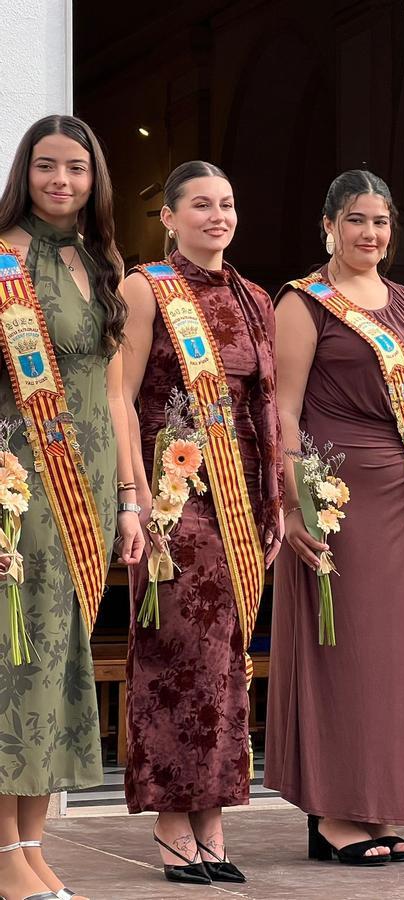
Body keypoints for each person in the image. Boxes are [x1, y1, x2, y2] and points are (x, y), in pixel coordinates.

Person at [265, 170, 404, 865]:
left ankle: (381, 806)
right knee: (344, 654)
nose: (369, 233)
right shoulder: (304, 302)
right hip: (336, 498)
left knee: (395, 660)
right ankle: (335, 812)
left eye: (380, 221)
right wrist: (291, 501)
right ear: (328, 226)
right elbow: (282, 407)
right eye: (355, 220)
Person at [120, 161, 283, 885]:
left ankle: (212, 815)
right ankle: (170, 819)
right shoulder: (146, 288)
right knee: (176, 655)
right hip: (176, 497)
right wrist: (133, 498)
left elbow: (267, 407)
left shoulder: (252, 297)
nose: (217, 216)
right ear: (168, 216)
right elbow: (120, 396)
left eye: (227, 203)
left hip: (242, 504)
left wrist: (275, 500)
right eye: (200, 205)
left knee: (226, 665)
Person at [0, 114, 143, 900]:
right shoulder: (4, 261)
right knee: (15, 659)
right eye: (48, 166)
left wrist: (129, 497)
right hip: (22, 483)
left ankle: (29, 842)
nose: (63, 181)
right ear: (26, 172)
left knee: (58, 662)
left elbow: (116, 396)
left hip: (88, 489)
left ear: (96, 179)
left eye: (77, 168)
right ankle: (1, 854)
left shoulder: (102, 261)